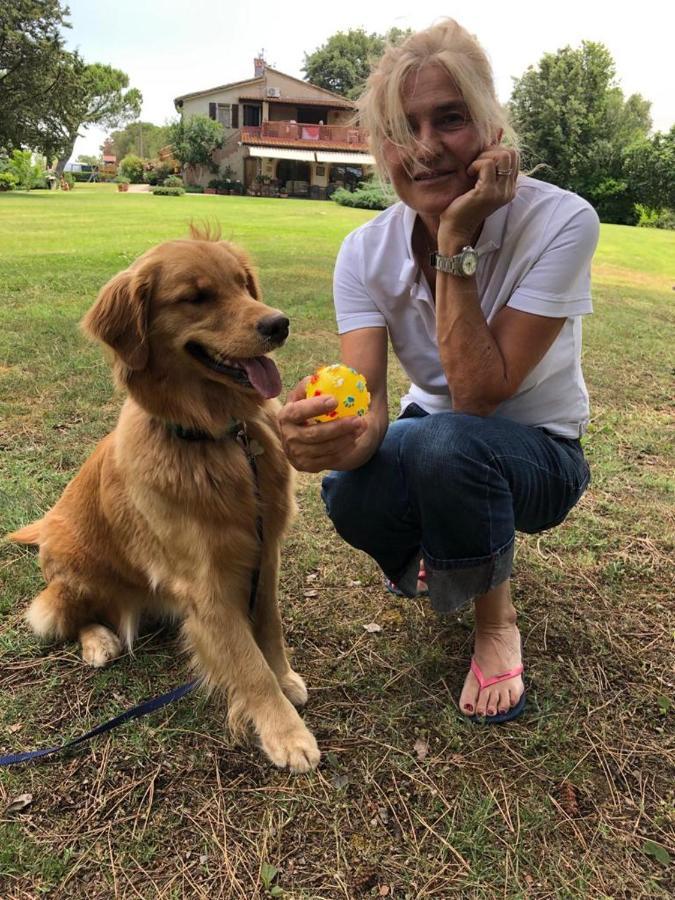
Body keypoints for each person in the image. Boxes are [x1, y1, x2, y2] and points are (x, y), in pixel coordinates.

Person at [278, 19, 599, 723]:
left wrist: (453, 239)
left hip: (539, 453)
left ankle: (494, 618)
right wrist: (325, 436)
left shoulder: (561, 222)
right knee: (349, 491)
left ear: (490, 128)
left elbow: (480, 394)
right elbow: (367, 414)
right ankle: (440, 556)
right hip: (438, 439)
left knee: (442, 441)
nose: (423, 148)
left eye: (449, 119)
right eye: (401, 126)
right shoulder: (363, 252)